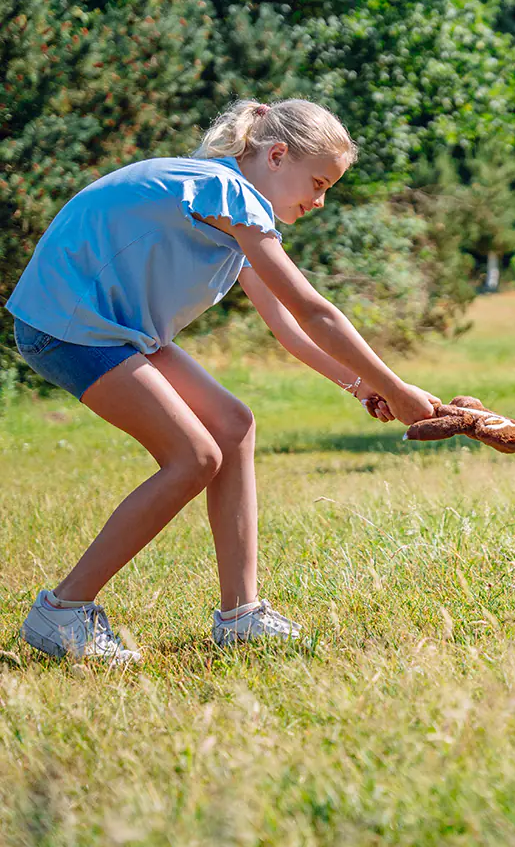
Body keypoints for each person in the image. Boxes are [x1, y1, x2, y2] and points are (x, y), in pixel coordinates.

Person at [5, 98, 438, 663]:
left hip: (115, 331)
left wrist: (364, 386)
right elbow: (314, 311)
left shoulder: (231, 209)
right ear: (277, 155)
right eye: (318, 181)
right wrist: (399, 388)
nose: (320, 200)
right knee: (193, 457)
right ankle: (61, 613)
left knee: (233, 426)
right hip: (68, 326)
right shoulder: (227, 193)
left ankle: (241, 615)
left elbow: (287, 327)